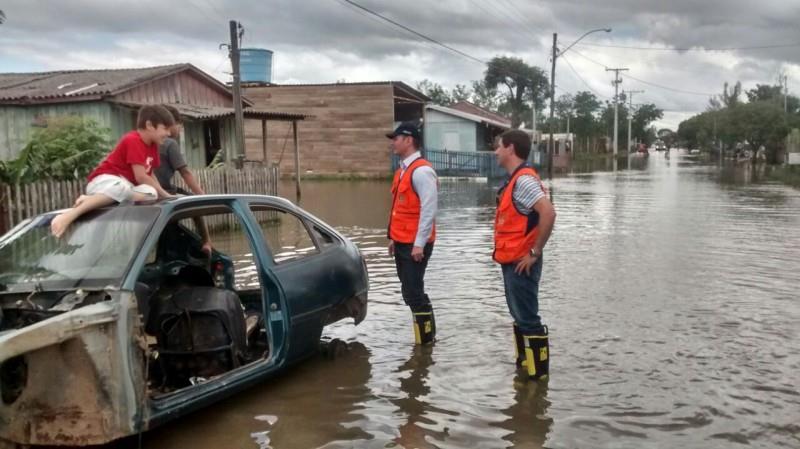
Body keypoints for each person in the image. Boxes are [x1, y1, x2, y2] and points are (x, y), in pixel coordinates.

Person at [50, 105, 174, 237]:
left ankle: (92, 200)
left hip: (123, 189)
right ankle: (70, 215)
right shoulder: (133, 140)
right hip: (104, 181)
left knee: (151, 193)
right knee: (122, 188)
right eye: (165, 128)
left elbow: (149, 174)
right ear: (149, 125)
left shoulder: (153, 145)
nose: (169, 133)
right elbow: (141, 177)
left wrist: (160, 193)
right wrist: (166, 195)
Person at [493, 130, 556, 380]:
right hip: (511, 260)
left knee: (528, 319)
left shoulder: (523, 181)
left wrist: (534, 252)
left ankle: (537, 379)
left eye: (498, 147)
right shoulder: (514, 180)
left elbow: (548, 213)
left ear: (510, 149)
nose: (495, 152)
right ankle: (524, 369)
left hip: (522, 261)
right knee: (519, 317)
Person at [386, 122, 438, 345]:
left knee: (413, 292)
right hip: (403, 241)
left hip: (416, 244)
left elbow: (429, 209)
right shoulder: (402, 170)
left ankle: (426, 342)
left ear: (409, 140)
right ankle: (425, 339)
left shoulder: (422, 171)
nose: (393, 142)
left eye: (396, 138)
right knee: (410, 291)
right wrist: (393, 238)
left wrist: (419, 243)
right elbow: (400, 209)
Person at [156, 105, 212, 254]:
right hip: (165, 191)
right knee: (194, 203)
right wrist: (202, 195)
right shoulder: (169, 143)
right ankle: (206, 242)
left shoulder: (148, 142)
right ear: (169, 124)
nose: (180, 128)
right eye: (179, 124)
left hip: (148, 191)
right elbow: (185, 172)